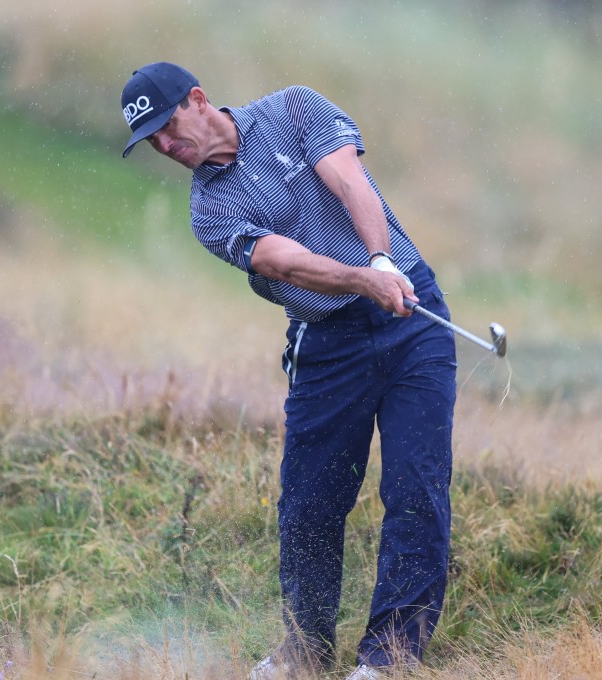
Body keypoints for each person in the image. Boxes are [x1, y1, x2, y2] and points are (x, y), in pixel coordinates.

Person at [120, 62, 457, 680]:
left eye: (168, 128)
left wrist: (381, 261)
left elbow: (351, 182)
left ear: (198, 100)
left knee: (416, 488)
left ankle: (390, 658)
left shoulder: (293, 109)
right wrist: (363, 278)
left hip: (413, 315)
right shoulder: (208, 212)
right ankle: (306, 649)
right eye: (154, 144)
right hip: (327, 342)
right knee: (309, 505)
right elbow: (288, 263)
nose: (167, 148)